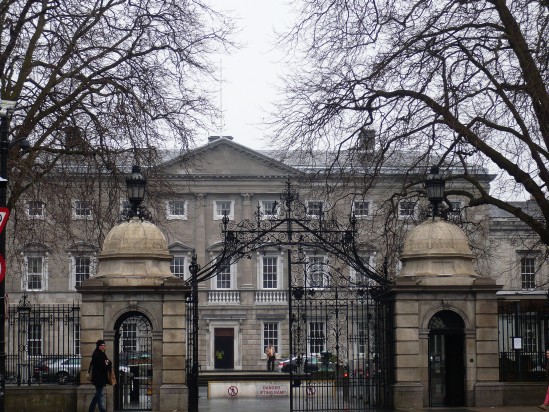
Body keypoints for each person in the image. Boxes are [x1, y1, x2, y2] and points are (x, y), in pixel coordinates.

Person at [88, 339, 112, 412]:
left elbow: (110, 362)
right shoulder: (97, 354)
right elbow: (103, 367)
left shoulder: (102, 354)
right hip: (98, 378)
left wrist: (107, 363)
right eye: (101, 345)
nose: (103, 347)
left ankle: (91, 409)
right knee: (100, 395)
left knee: (97, 395)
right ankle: (102, 410)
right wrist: (107, 364)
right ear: (98, 346)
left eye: (104, 345)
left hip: (101, 378)